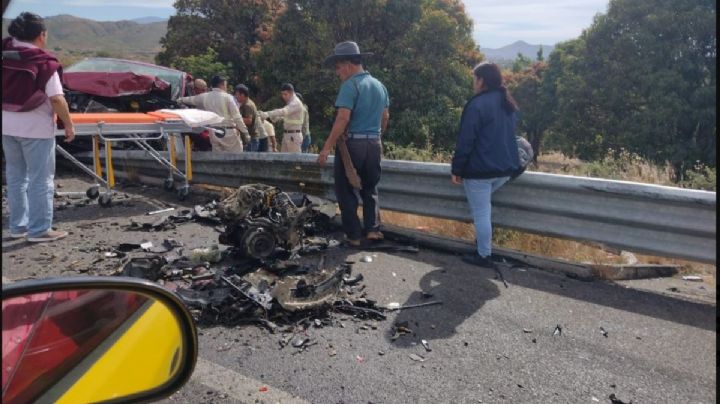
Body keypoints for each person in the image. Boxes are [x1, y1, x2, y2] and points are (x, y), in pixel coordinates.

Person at [2, 12, 75, 243]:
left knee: (15, 178)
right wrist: (69, 124)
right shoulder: (43, 62)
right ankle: (39, 230)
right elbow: (56, 99)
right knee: (40, 180)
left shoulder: (5, 55)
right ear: (41, 35)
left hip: (6, 126)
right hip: (35, 130)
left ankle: (18, 227)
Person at [317, 41, 389, 247]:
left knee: (345, 189)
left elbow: (343, 118)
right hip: (374, 143)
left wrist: (326, 147)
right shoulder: (379, 85)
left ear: (348, 64)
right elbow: (385, 116)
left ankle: (354, 235)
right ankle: (373, 229)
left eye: (338, 68)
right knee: (370, 187)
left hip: (353, 146)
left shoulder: (350, 85)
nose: (338, 73)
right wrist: (377, 136)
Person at [450, 62, 520, 268]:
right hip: (505, 169)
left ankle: (484, 255)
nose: (474, 83)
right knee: (484, 210)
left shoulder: (477, 104)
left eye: (475, 78)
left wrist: (457, 169)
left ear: (481, 80)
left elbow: (466, 140)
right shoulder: (507, 102)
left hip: (481, 170)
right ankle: (483, 245)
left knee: (481, 213)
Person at [176, 75, 250, 152]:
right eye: (225, 85)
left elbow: (191, 100)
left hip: (213, 133)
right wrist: (245, 133)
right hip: (229, 133)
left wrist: (179, 100)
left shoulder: (205, 96)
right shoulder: (228, 98)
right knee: (236, 159)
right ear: (222, 84)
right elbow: (237, 117)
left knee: (217, 160)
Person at [258, 83, 304, 153]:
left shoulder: (296, 103)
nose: (283, 96)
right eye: (282, 94)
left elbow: (283, 111)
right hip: (288, 135)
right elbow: (288, 116)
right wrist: (277, 118)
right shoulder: (290, 102)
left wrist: (267, 114)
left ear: (291, 93)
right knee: (284, 160)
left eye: (285, 94)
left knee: (293, 161)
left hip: (293, 136)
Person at [234, 84, 268, 152]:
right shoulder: (245, 104)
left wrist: (235, 119)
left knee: (250, 162)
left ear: (242, 95)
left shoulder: (247, 105)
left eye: (237, 94)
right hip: (250, 139)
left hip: (251, 139)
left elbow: (249, 121)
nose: (235, 96)